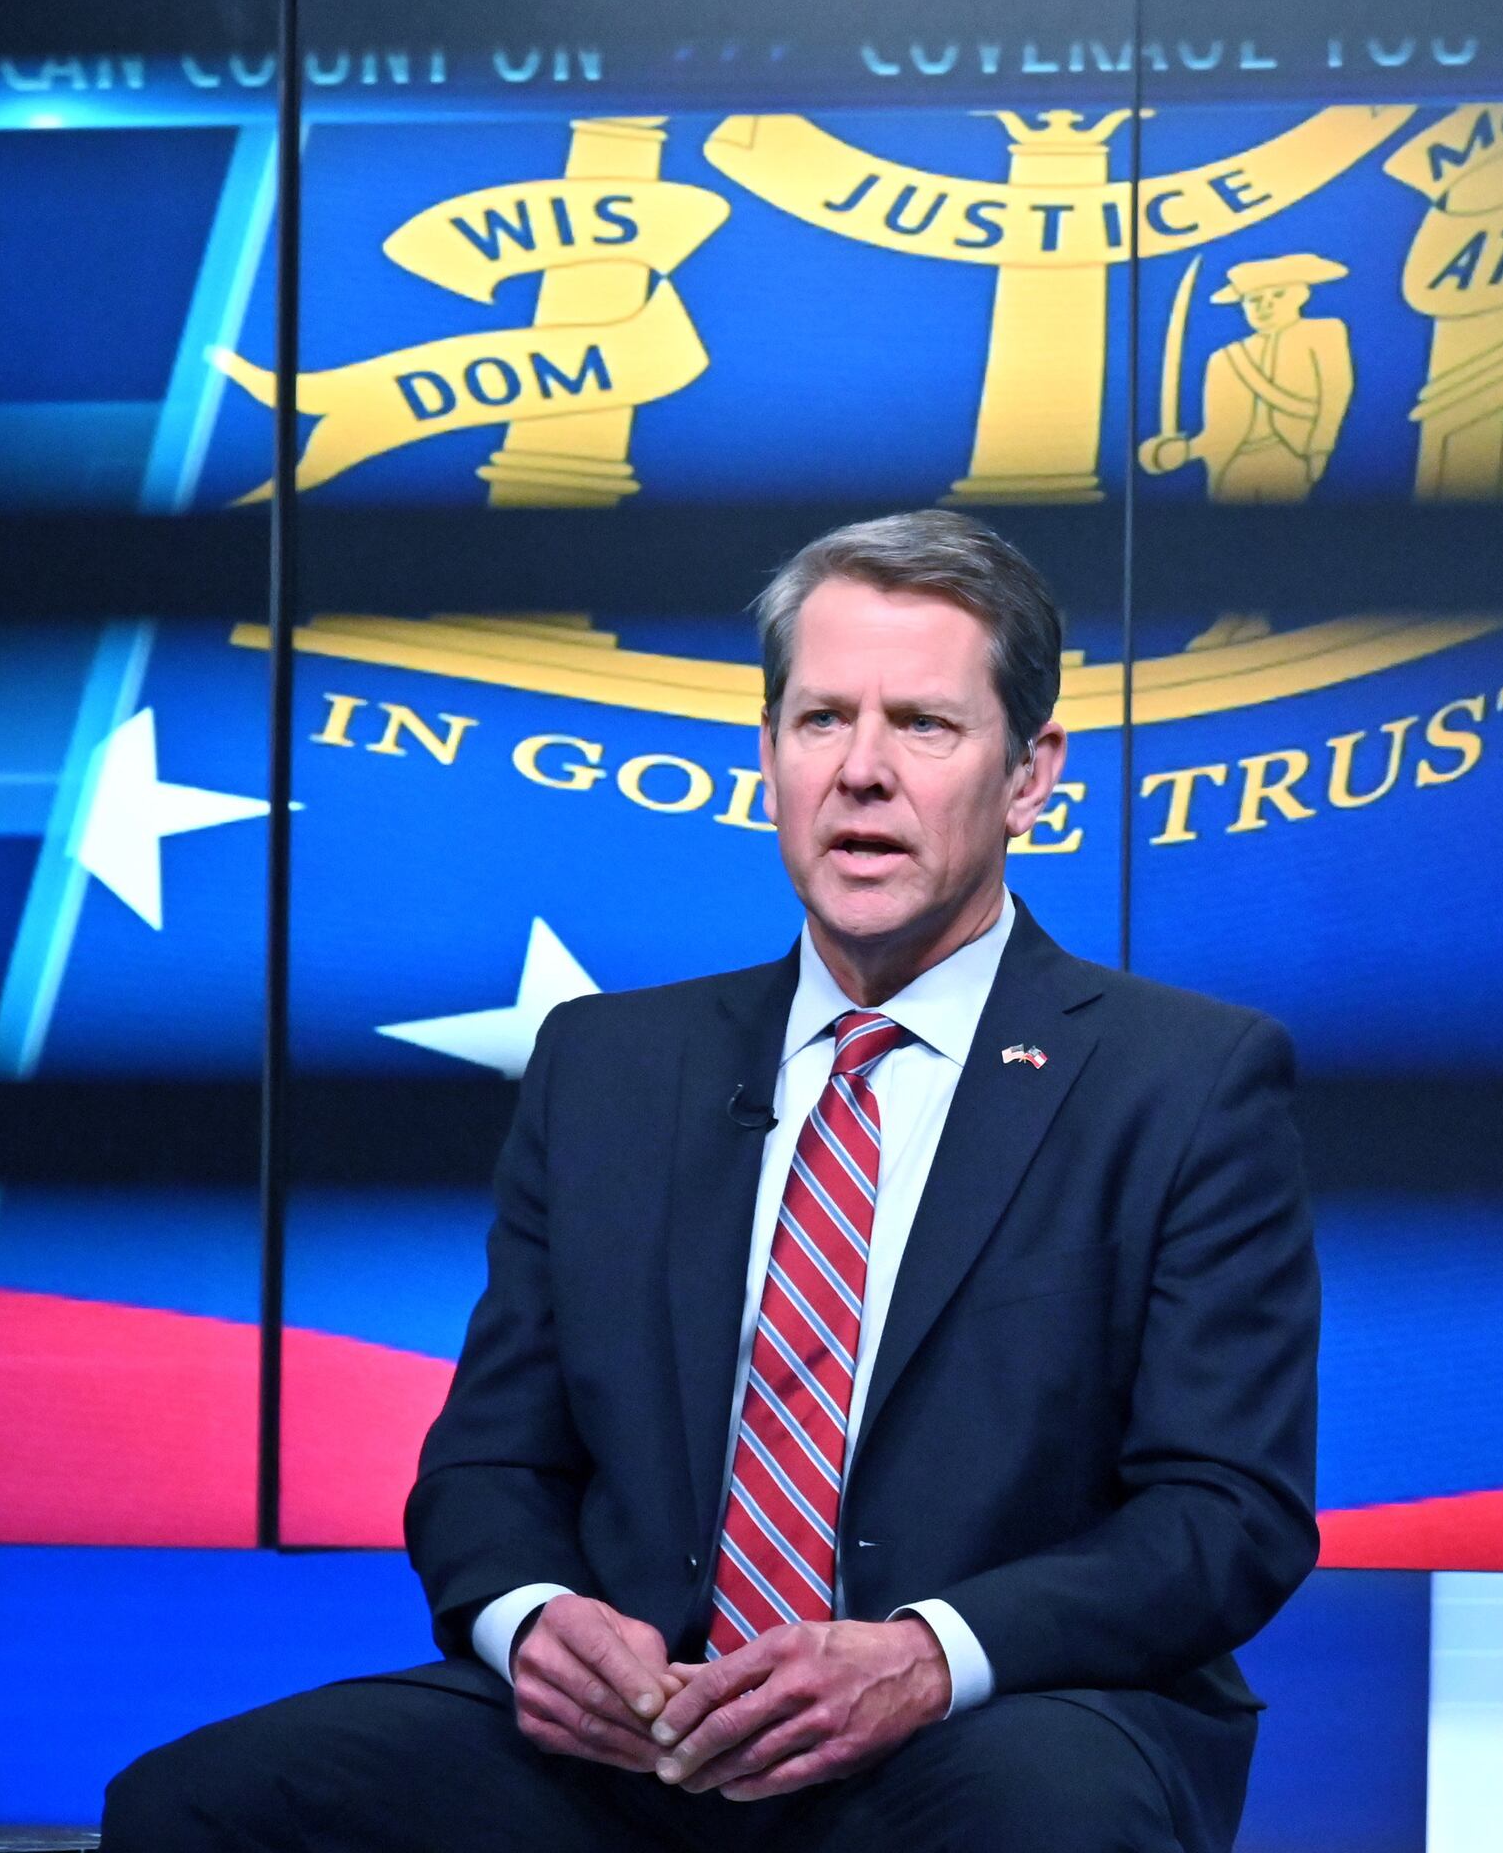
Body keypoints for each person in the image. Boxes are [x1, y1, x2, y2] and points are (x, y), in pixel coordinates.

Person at [108, 510, 1319, 1853]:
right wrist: (534, 1624)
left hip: (991, 1722)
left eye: (923, 724)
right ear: (768, 756)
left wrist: (925, 1654)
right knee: (194, 1807)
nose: (861, 773)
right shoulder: (610, 1065)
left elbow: (1228, 1513)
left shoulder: (1183, 1077)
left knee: (1047, 1822)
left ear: (1030, 776)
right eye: (819, 721)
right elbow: (489, 1463)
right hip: (641, 1740)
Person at [1195, 254, 1355, 503]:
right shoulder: (1225, 357)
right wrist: (1185, 451)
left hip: (1291, 453)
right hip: (1236, 463)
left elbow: (1337, 390)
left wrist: (1320, 447)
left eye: (1278, 295)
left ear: (1301, 295)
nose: (1265, 306)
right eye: (1254, 300)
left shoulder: (1325, 332)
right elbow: (1218, 429)